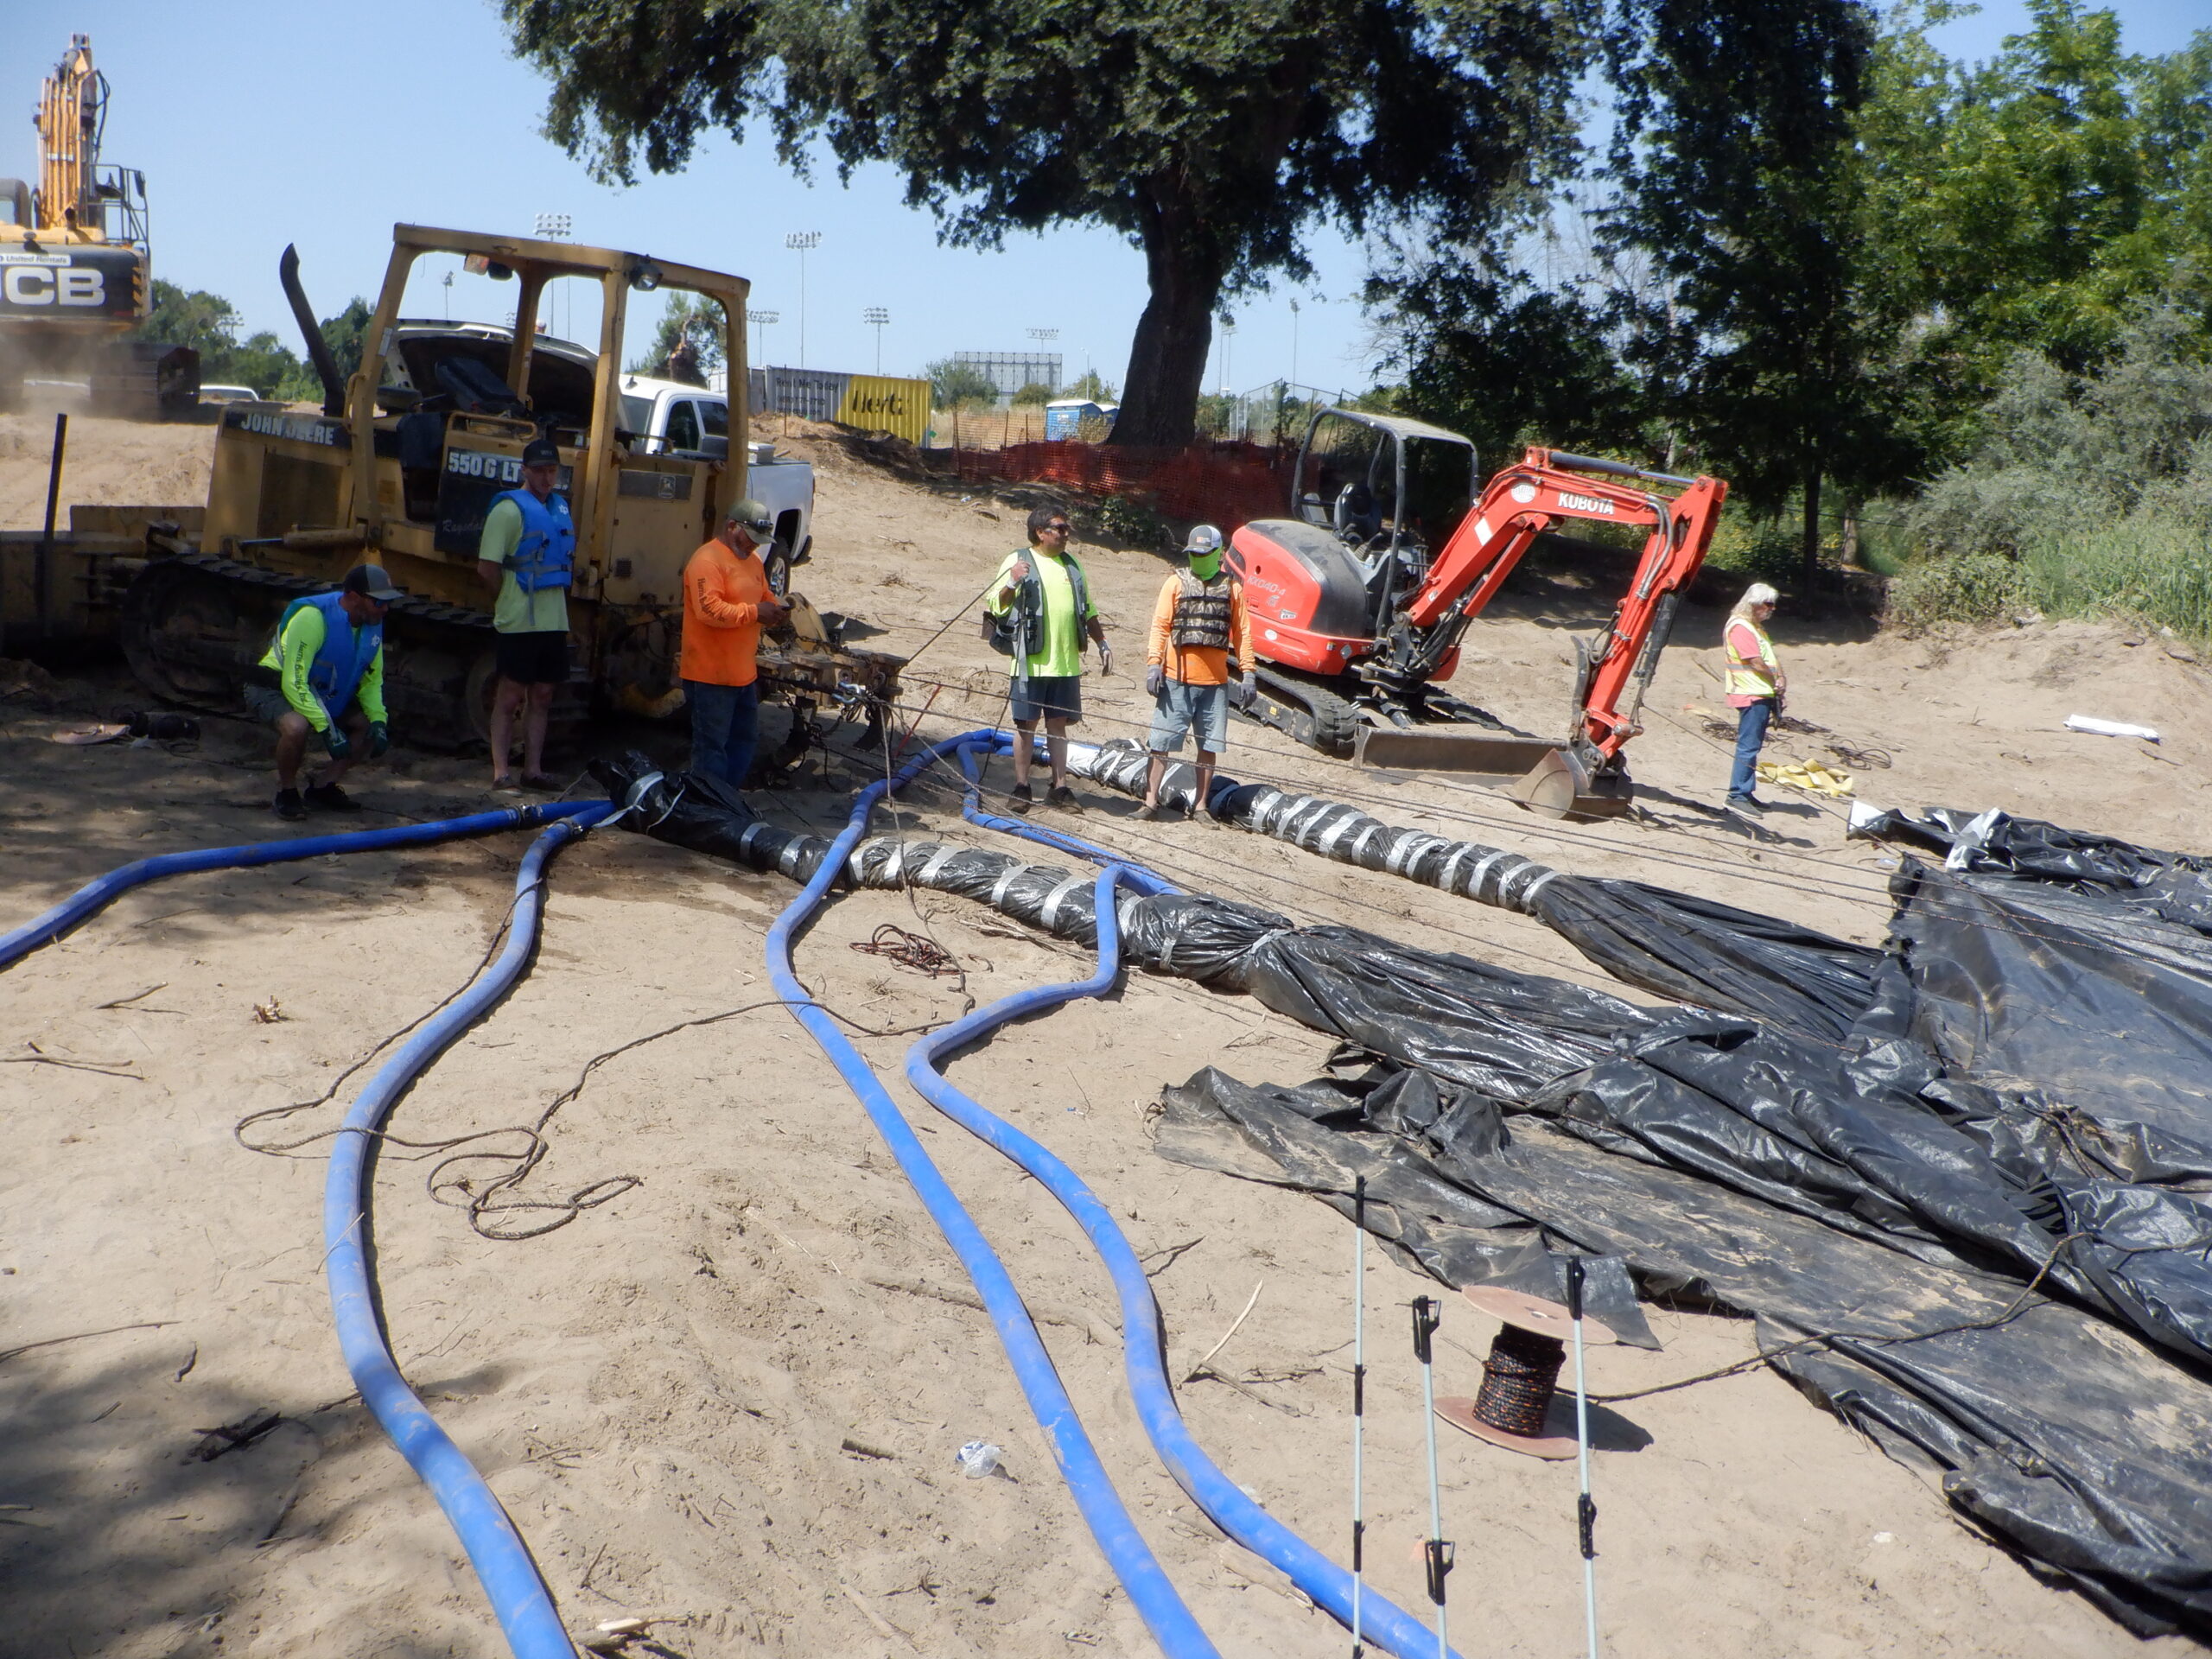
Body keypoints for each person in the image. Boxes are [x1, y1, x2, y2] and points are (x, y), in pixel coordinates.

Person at [245, 563, 400, 821]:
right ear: (353, 598)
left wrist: (379, 720)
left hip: (322, 689)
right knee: (297, 726)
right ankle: (287, 793)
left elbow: (371, 681)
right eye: (378, 602)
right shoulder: (313, 618)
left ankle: (322, 788)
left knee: (367, 725)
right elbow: (294, 681)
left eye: (387, 602)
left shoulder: (371, 623)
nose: (385, 609)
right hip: (274, 685)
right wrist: (327, 727)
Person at [987, 505, 1110, 813]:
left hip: (1065, 664)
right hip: (1029, 662)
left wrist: (1102, 643)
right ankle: (1021, 788)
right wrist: (1012, 581)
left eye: (1067, 528)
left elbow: (1088, 609)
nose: (1066, 534)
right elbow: (997, 606)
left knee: (1058, 726)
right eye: (1060, 528)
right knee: (1025, 726)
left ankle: (1060, 788)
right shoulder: (1018, 560)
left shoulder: (1072, 565)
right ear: (1040, 532)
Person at [476, 436, 574, 791]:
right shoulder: (507, 511)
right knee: (510, 695)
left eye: (552, 471)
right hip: (519, 620)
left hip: (553, 619)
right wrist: (507, 598)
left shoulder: (559, 508)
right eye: (540, 471)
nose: (547, 479)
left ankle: (532, 769)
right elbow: (487, 569)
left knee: (544, 695)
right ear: (524, 471)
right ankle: (501, 772)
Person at [1140, 524, 1254, 821]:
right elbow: (1160, 625)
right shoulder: (1174, 584)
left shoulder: (1233, 589)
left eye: (1204, 553)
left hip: (1215, 684)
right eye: (1194, 553)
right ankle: (1150, 801)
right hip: (1175, 680)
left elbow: (1243, 633)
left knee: (1209, 747)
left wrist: (1249, 673)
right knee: (1160, 743)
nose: (1198, 558)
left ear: (1219, 554)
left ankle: (1201, 806)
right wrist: (1154, 665)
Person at [681, 498, 789, 787]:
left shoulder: (752, 561)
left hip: (741, 675)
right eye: (751, 538)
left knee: (743, 740)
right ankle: (710, 803)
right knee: (711, 747)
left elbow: (762, 593)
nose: (755, 545)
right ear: (732, 527)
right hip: (709, 675)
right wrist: (755, 612)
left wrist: (774, 608)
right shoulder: (707, 561)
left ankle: (727, 799)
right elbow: (709, 611)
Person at [1723, 581, 1786, 815]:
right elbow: (1755, 661)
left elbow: (1769, 659)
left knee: (1753, 745)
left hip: (1761, 691)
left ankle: (1745, 793)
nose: (1772, 609)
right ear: (1754, 604)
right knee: (1748, 746)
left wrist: (1780, 681)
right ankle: (1737, 794)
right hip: (1750, 692)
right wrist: (1775, 680)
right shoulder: (1741, 627)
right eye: (1768, 604)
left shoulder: (1755, 627)